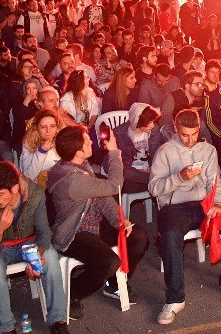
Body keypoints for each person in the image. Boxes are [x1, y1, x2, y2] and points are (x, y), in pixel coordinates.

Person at [149, 109, 221, 326]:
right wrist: (179, 176)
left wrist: (219, 203)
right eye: (185, 135)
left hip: (206, 204)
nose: (190, 140)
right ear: (176, 129)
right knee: (171, 234)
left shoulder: (208, 149)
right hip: (175, 206)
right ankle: (175, 298)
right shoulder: (165, 152)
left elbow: (215, 181)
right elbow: (154, 188)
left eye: (194, 134)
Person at [46, 126, 149, 318]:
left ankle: (114, 283)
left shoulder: (79, 165)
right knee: (109, 261)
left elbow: (102, 197)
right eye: (87, 142)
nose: (92, 142)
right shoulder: (72, 179)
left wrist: (118, 221)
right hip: (74, 233)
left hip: (92, 223)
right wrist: (114, 153)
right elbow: (115, 185)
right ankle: (72, 292)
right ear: (77, 152)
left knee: (138, 236)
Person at [0, 161, 69, 334]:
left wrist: (37, 256)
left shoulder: (35, 194)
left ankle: (58, 320)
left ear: (14, 188)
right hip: (0, 247)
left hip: (27, 243)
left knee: (50, 255)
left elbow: (43, 233)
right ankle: (6, 327)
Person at [115, 103, 166, 193]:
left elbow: (159, 152)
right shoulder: (119, 133)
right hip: (132, 174)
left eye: (153, 121)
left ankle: (154, 180)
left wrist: (154, 168)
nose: (152, 125)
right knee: (124, 172)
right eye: (149, 122)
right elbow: (115, 163)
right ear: (137, 121)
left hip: (151, 169)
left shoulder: (154, 131)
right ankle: (154, 181)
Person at [19, 108, 70, 187]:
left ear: (57, 127)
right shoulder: (29, 142)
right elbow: (28, 177)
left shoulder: (62, 140)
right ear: (36, 128)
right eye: (43, 127)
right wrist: (41, 152)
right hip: (39, 189)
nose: (48, 131)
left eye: (52, 126)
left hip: (62, 184)